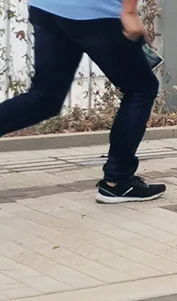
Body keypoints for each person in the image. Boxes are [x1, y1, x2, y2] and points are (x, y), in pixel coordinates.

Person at [0, 0, 166, 203]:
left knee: (45, 97)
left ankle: (118, 180)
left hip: (46, 8)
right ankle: (117, 181)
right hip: (94, 13)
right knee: (141, 88)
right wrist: (129, 11)